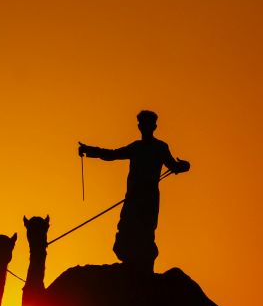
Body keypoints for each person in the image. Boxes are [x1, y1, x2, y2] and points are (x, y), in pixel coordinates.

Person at [78, 110, 190, 273]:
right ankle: (134, 268)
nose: (144, 127)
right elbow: (112, 155)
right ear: (140, 126)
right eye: (142, 124)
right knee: (127, 232)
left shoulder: (158, 147)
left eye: (147, 124)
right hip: (134, 198)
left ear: (153, 127)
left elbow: (174, 166)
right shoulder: (139, 147)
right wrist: (89, 150)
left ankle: (142, 271)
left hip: (146, 200)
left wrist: (185, 166)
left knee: (144, 233)